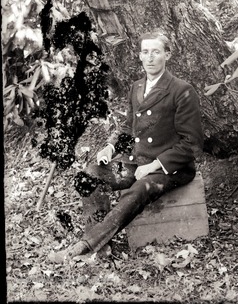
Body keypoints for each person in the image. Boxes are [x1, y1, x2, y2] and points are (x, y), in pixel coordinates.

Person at [49, 30, 203, 262]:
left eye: (156, 52)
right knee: (90, 174)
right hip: (138, 161)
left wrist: (153, 166)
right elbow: (127, 128)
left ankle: (85, 246)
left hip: (171, 168)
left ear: (167, 55)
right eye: (145, 52)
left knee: (140, 188)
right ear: (140, 56)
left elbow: (192, 144)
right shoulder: (137, 87)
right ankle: (102, 245)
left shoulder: (181, 90)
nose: (150, 58)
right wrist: (110, 147)